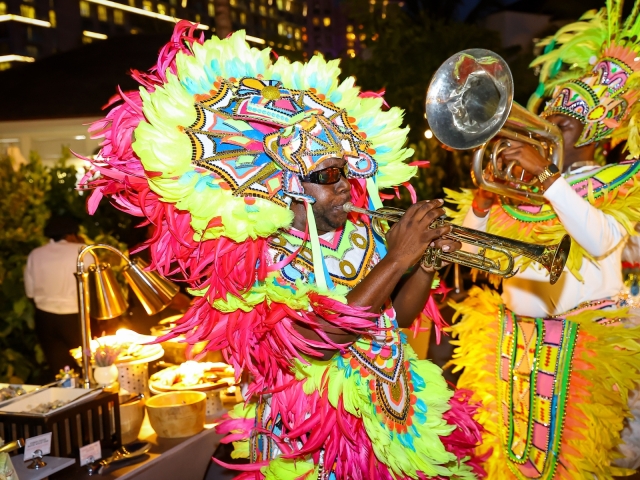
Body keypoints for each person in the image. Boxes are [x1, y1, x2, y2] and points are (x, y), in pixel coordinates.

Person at [83, 22, 485, 478]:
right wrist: (396, 260)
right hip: (310, 439)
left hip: (390, 419)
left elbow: (397, 319)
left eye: (347, 175)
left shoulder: (360, 232)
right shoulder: (252, 260)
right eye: (330, 177)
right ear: (291, 184)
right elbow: (316, 342)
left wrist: (425, 262)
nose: (346, 189)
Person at [446, 1, 640, 477]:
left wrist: (552, 180)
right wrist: (480, 206)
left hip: (587, 349)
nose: (544, 133)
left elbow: (601, 240)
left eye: (564, 127)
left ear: (593, 137)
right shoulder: (519, 190)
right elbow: (474, 254)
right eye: (546, 121)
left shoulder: (617, 179)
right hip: (514, 346)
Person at [24, 215, 90, 379]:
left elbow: (30, 292)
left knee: (61, 371)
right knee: (87, 366)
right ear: (71, 234)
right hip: (76, 317)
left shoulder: (35, 254)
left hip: (46, 319)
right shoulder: (83, 251)